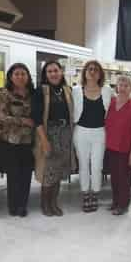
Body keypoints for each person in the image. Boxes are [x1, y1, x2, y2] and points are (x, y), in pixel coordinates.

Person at [32, 61, 74, 216]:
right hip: (48, 133)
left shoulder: (67, 90)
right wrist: (44, 140)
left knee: (59, 172)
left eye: (55, 70)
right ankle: (45, 204)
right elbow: (36, 117)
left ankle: (54, 203)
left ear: (61, 72)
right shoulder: (40, 91)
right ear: (45, 74)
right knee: (48, 172)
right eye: (49, 71)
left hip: (65, 134)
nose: (53, 74)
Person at [72, 60, 112, 212]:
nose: (93, 71)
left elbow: (114, 108)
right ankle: (85, 194)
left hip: (100, 133)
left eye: (96, 69)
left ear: (100, 73)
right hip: (81, 131)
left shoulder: (107, 90)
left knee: (97, 166)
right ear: (85, 72)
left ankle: (94, 193)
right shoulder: (76, 90)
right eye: (90, 69)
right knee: (83, 164)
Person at [0, 63, 35, 217]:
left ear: (28, 76)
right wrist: (22, 121)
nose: (20, 77)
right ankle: (13, 206)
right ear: (10, 77)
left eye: (23, 74)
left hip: (28, 142)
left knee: (26, 175)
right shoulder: (5, 94)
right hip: (10, 141)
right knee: (13, 175)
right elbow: (1, 117)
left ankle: (23, 205)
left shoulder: (33, 93)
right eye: (17, 74)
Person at [105, 76, 131, 215]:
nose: (122, 88)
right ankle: (115, 201)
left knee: (124, 179)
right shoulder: (111, 102)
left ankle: (123, 205)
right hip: (111, 147)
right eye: (120, 85)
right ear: (116, 86)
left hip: (126, 149)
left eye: (126, 86)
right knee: (114, 177)